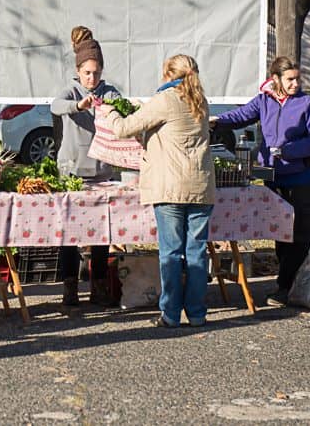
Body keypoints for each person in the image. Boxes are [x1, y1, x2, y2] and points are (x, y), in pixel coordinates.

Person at [100, 54, 215, 328]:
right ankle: (197, 314)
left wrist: (110, 111)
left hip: (170, 188)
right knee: (197, 251)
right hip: (200, 186)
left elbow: (123, 129)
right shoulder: (201, 101)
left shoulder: (165, 100)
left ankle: (171, 314)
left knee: (171, 253)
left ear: (168, 74)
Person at [212, 56, 310, 306]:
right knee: (280, 234)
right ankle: (285, 286)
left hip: (304, 179)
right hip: (275, 179)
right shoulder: (264, 100)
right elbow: (242, 115)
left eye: (298, 78)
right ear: (275, 79)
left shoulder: (307, 103)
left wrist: (289, 151)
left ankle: (288, 288)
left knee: (300, 236)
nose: (296, 84)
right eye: (290, 79)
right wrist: (217, 120)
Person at [50, 26, 123, 306]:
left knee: (102, 231)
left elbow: (123, 108)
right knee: (70, 231)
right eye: (87, 73)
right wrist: (78, 106)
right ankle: (70, 286)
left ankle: (99, 284)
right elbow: (56, 106)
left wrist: (119, 108)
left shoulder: (109, 92)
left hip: (103, 172)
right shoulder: (70, 90)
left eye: (96, 73)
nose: (92, 78)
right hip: (72, 172)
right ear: (79, 71)